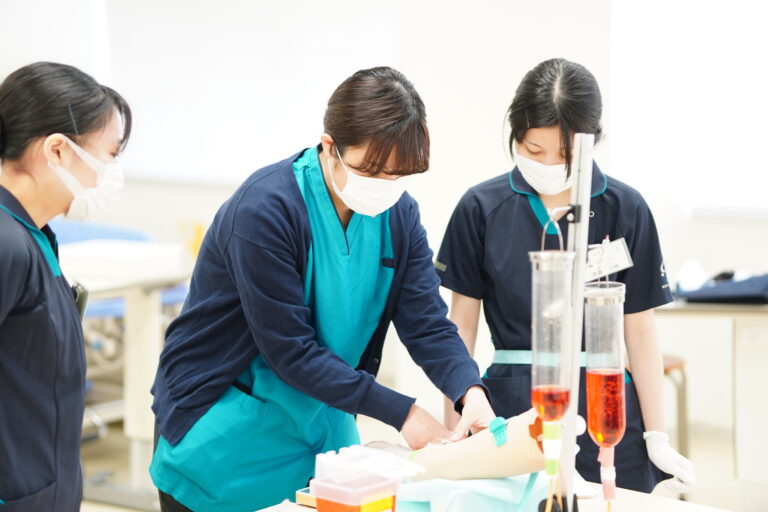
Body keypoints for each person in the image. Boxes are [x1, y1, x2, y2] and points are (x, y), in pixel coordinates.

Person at [149, 66, 495, 512]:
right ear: (330, 147)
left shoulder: (399, 215)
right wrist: (404, 413)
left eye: (398, 174)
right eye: (371, 171)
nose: (385, 187)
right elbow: (291, 350)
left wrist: (470, 391)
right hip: (225, 435)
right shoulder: (264, 210)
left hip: (322, 427)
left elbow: (427, 324)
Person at [437, 58, 694, 494]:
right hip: (512, 407)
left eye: (565, 154)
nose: (549, 164)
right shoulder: (480, 208)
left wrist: (657, 435)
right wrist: (456, 426)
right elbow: (460, 327)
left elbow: (639, 329)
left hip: (606, 405)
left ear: (592, 142)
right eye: (534, 150)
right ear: (515, 135)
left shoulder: (625, 208)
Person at [0, 61, 131, 511]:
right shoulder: (6, 243)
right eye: (109, 155)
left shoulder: (33, 233)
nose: (110, 172)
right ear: (57, 150)